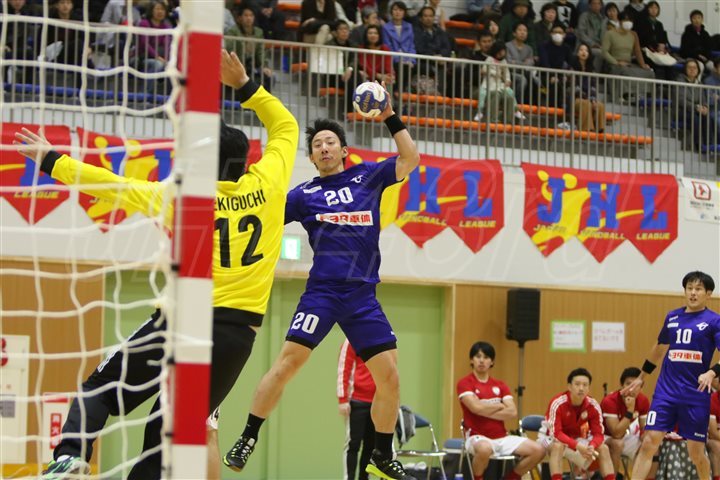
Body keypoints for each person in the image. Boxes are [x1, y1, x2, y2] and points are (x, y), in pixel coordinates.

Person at [24, 50, 299, 479]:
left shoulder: (183, 197)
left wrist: (51, 160)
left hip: (182, 322)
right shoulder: (270, 182)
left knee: (99, 391)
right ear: (245, 159)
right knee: (164, 437)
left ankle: (71, 455)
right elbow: (286, 126)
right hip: (236, 337)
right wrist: (245, 85)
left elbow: (112, 186)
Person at [222, 85, 421, 480]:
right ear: (311, 158)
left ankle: (382, 455)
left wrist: (388, 115)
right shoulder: (303, 195)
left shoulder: (368, 176)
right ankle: (247, 436)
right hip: (323, 294)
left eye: (330, 142)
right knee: (287, 364)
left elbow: (410, 158)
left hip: (362, 296)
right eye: (317, 145)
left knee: (390, 378)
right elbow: (262, 216)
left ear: (344, 150)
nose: (324, 148)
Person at [622, 271, 720, 480]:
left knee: (696, 452)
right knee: (649, 442)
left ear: (708, 293)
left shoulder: (714, 321)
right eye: (689, 288)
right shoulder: (673, 317)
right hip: (666, 392)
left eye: (698, 289)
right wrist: (641, 377)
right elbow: (659, 348)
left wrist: (711, 373)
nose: (693, 293)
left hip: (695, 395)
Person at [457, 341, 545, 480]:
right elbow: (475, 408)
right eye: (478, 356)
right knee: (485, 449)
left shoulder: (500, 385)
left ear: (492, 362)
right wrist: (499, 405)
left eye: (486, 357)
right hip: (477, 436)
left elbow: (512, 412)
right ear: (471, 360)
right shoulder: (465, 383)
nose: (481, 360)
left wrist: (482, 408)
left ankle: (510, 478)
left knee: (538, 450)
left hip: (501, 437)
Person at [540, 368, 616, 480]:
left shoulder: (593, 405)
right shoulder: (558, 402)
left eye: (585, 385)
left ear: (588, 388)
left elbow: (598, 434)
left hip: (576, 438)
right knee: (558, 446)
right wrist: (578, 446)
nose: (581, 388)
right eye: (577, 384)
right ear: (569, 386)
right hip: (549, 437)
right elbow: (557, 434)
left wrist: (592, 446)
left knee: (603, 448)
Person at [339, 339, 377, 480]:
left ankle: (364, 477)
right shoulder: (351, 341)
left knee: (371, 445)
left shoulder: (381, 338)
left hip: (377, 403)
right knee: (353, 444)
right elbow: (343, 369)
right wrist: (342, 399)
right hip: (357, 401)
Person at [600, 367, 651, 475]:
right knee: (617, 444)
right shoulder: (610, 401)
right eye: (628, 384)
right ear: (621, 385)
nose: (631, 389)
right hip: (604, 436)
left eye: (636, 385)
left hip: (624, 436)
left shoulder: (643, 400)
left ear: (641, 387)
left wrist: (646, 437)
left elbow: (644, 429)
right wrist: (630, 410)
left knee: (650, 444)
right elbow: (616, 434)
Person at [225, 5, 273, 93]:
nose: (249, 18)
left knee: (269, 76)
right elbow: (230, 49)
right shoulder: (233, 31)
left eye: (251, 15)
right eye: (246, 15)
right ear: (240, 18)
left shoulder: (258, 32)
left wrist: (264, 66)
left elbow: (260, 52)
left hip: (252, 66)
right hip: (237, 65)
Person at [569, 43, 605, 132]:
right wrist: (589, 99)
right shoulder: (572, 69)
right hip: (575, 99)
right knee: (586, 103)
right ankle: (586, 129)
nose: (583, 52)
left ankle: (600, 130)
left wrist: (593, 100)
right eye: (581, 50)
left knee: (600, 105)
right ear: (577, 53)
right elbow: (575, 87)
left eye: (586, 50)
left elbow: (593, 88)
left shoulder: (591, 71)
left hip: (588, 99)